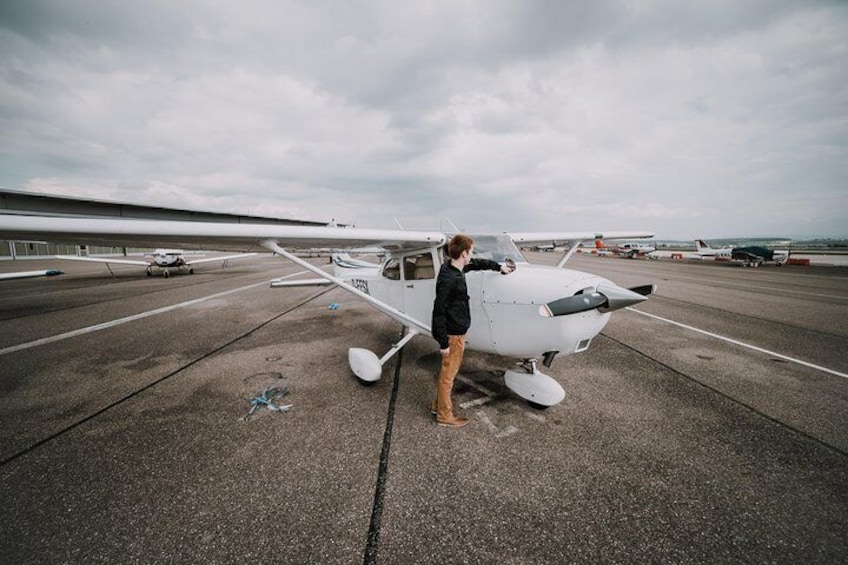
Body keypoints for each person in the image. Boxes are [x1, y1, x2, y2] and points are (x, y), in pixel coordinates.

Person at [431, 234, 514, 427]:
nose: (472, 254)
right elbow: (438, 310)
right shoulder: (451, 279)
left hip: (456, 333)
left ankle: (438, 406)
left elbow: (476, 263)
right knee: (448, 377)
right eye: (471, 251)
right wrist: (443, 342)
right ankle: (444, 415)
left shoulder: (454, 267)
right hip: (453, 336)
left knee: (447, 374)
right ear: (463, 254)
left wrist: (498, 267)